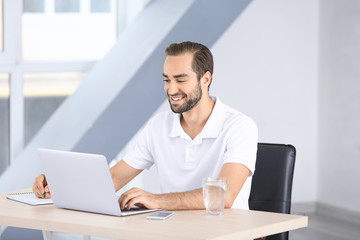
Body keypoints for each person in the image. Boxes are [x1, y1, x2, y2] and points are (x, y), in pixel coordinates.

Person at [33, 41, 258, 211]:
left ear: (205, 79)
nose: (171, 90)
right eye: (166, 80)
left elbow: (224, 196)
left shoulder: (239, 127)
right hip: (172, 232)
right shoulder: (158, 126)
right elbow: (112, 180)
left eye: (180, 80)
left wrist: (156, 199)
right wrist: (58, 184)